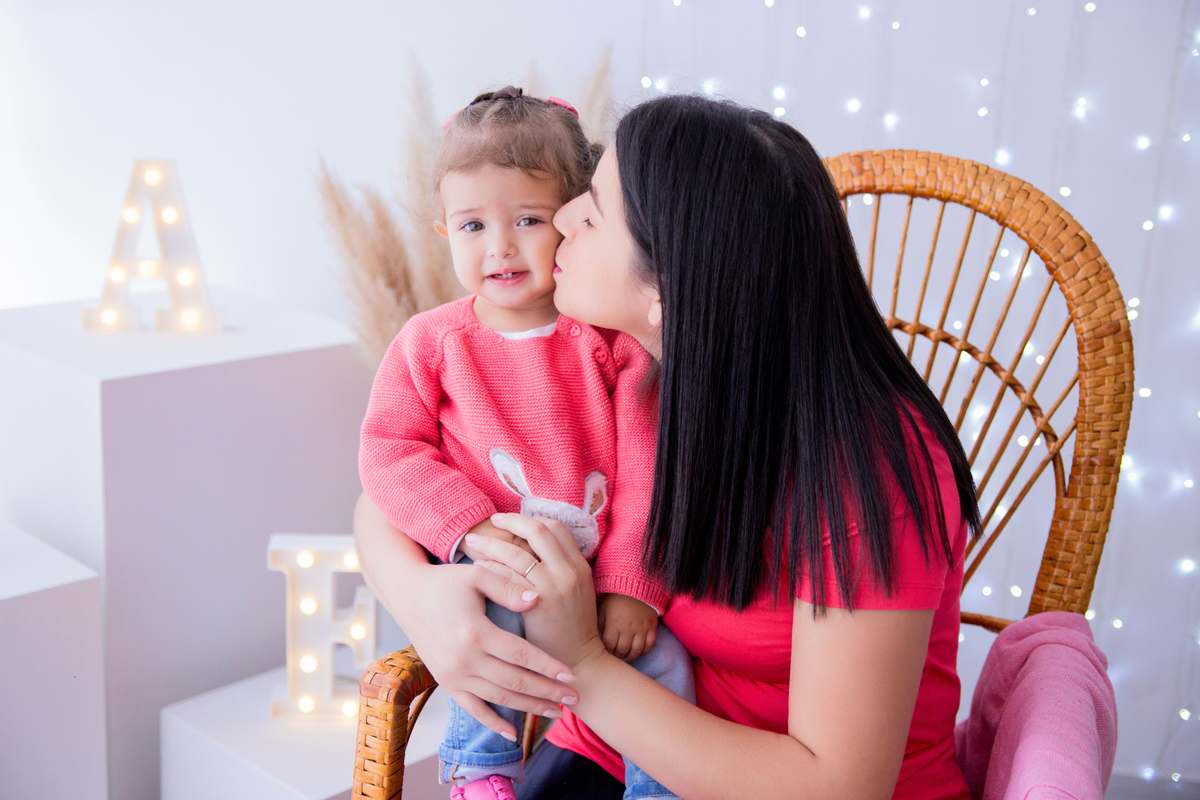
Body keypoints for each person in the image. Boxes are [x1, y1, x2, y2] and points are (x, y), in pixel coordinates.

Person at [356, 94, 981, 800]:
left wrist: (586, 662)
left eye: (590, 213)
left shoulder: (870, 472)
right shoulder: (661, 374)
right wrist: (424, 599)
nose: (560, 218)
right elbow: (392, 477)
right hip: (610, 747)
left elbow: (835, 786)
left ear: (669, 286)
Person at [357, 86, 694, 800]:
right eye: (473, 225)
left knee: (666, 667)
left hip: (598, 590)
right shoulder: (433, 342)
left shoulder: (609, 345)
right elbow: (389, 448)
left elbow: (646, 475)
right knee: (491, 657)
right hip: (493, 569)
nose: (500, 247)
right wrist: (469, 529)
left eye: (528, 220)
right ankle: (481, 773)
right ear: (445, 232)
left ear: (572, 221)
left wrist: (632, 587)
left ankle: (657, 788)